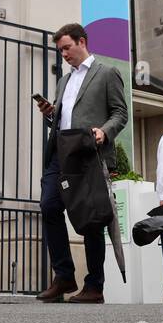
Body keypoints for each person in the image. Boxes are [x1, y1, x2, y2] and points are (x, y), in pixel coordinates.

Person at [33, 23, 129, 304]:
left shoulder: (107, 73)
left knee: (91, 219)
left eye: (66, 47)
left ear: (82, 42)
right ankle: (64, 276)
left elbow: (120, 113)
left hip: (88, 153)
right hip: (60, 152)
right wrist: (51, 113)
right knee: (49, 205)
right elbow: (65, 118)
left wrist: (105, 131)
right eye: (60, 50)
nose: (63, 54)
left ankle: (94, 286)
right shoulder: (64, 81)